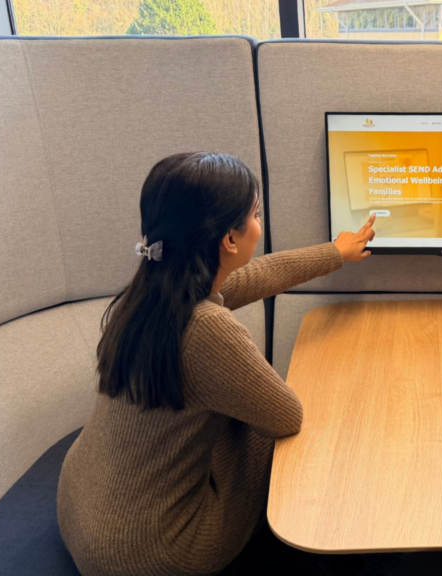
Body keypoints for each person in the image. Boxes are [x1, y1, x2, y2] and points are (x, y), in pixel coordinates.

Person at [57, 152, 375, 576]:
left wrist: (335, 251)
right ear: (229, 240)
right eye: (255, 215)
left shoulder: (148, 290)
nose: (259, 226)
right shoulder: (207, 329)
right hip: (152, 549)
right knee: (287, 435)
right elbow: (286, 417)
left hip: (84, 507)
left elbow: (251, 277)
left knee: (235, 410)